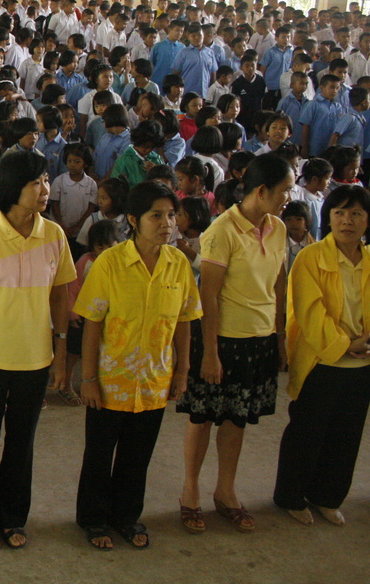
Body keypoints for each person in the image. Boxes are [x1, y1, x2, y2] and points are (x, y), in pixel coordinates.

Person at [0, 149, 76, 550]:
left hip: (35, 359)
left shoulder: (54, 235)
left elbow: (60, 297)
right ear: (11, 187)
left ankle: (12, 517)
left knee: (22, 443)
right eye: (35, 182)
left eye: (46, 180)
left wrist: (60, 355)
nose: (45, 189)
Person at [74, 182, 201, 550]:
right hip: (110, 379)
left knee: (138, 455)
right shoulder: (110, 263)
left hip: (154, 380)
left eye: (171, 215)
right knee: (99, 454)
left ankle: (126, 517)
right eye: (156, 215)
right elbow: (92, 323)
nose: (167, 223)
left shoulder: (178, 264)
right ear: (133, 219)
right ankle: (94, 519)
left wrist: (181, 371)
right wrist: (88, 378)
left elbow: (184, 322)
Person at [177, 154, 293, 534]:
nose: (288, 198)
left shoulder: (277, 228)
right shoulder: (222, 231)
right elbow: (208, 296)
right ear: (261, 191)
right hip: (222, 340)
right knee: (202, 417)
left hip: (258, 339)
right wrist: (210, 353)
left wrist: (280, 334)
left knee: (236, 418)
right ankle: (190, 491)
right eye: (285, 191)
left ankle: (225, 491)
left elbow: (279, 282)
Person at [274, 185, 370, 527]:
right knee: (307, 432)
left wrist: (364, 344)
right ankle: (291, 496)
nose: (348, 221)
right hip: (321, 361)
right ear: (328, 218)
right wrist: (345, 344)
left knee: (347, 435)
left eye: (356, 213)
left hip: (363, 364)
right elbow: (309, 312)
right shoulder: (311, 257)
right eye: (340, 213)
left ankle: (327, 497)